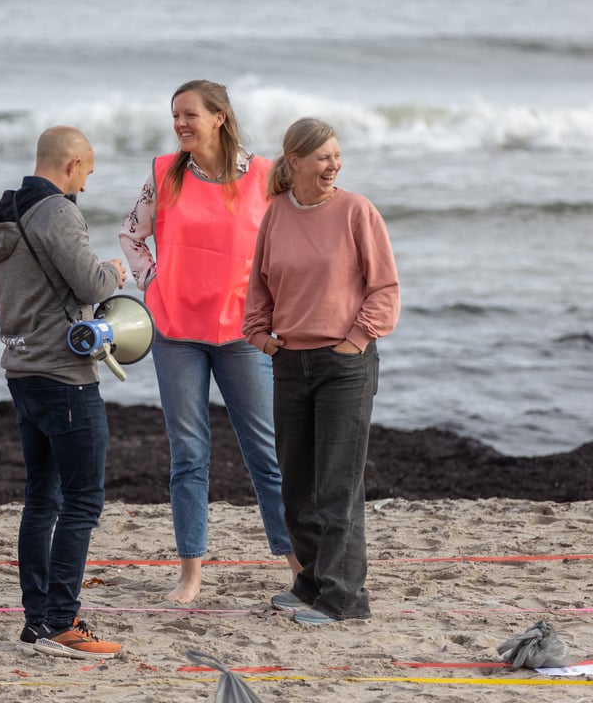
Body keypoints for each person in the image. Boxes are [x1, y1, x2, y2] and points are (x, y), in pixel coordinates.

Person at [119, 79, 299, 603]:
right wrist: (152, 281)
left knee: (265, 454)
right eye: (175, 115)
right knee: (189, 455)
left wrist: (276, 307)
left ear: (219, 117)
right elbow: (132, 234)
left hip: (242, 335)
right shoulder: (164, 173)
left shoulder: (266, 176)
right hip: (176, 335)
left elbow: (287, 245)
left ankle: (296, 565)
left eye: (189, 115)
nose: (179, 124)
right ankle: (191, 574)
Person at [243, 117, 400, 626]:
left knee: (337, 486)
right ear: (295, 161)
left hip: (344, 365)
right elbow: (260, 284)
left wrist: (356, 340)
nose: (334, 164)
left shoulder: (357, 211)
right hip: (289, 361)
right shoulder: (276, 214)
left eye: (337, 155)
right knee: (297, 485)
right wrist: (261, 335)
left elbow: (384, 288)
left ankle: (344, 599)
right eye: (323, 157)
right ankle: (310, 582)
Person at [0, 126, 127, 658]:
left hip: (20, 368)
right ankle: (62, 623)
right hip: (65, 375)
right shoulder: (58, 212)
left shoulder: (1, 211)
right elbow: (90, 284)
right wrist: (114, 270)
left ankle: (36, 621)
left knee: (41, 499)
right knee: (83, 500)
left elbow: (3, 294)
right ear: (70, 165)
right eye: (86, 173)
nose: (85, 186)